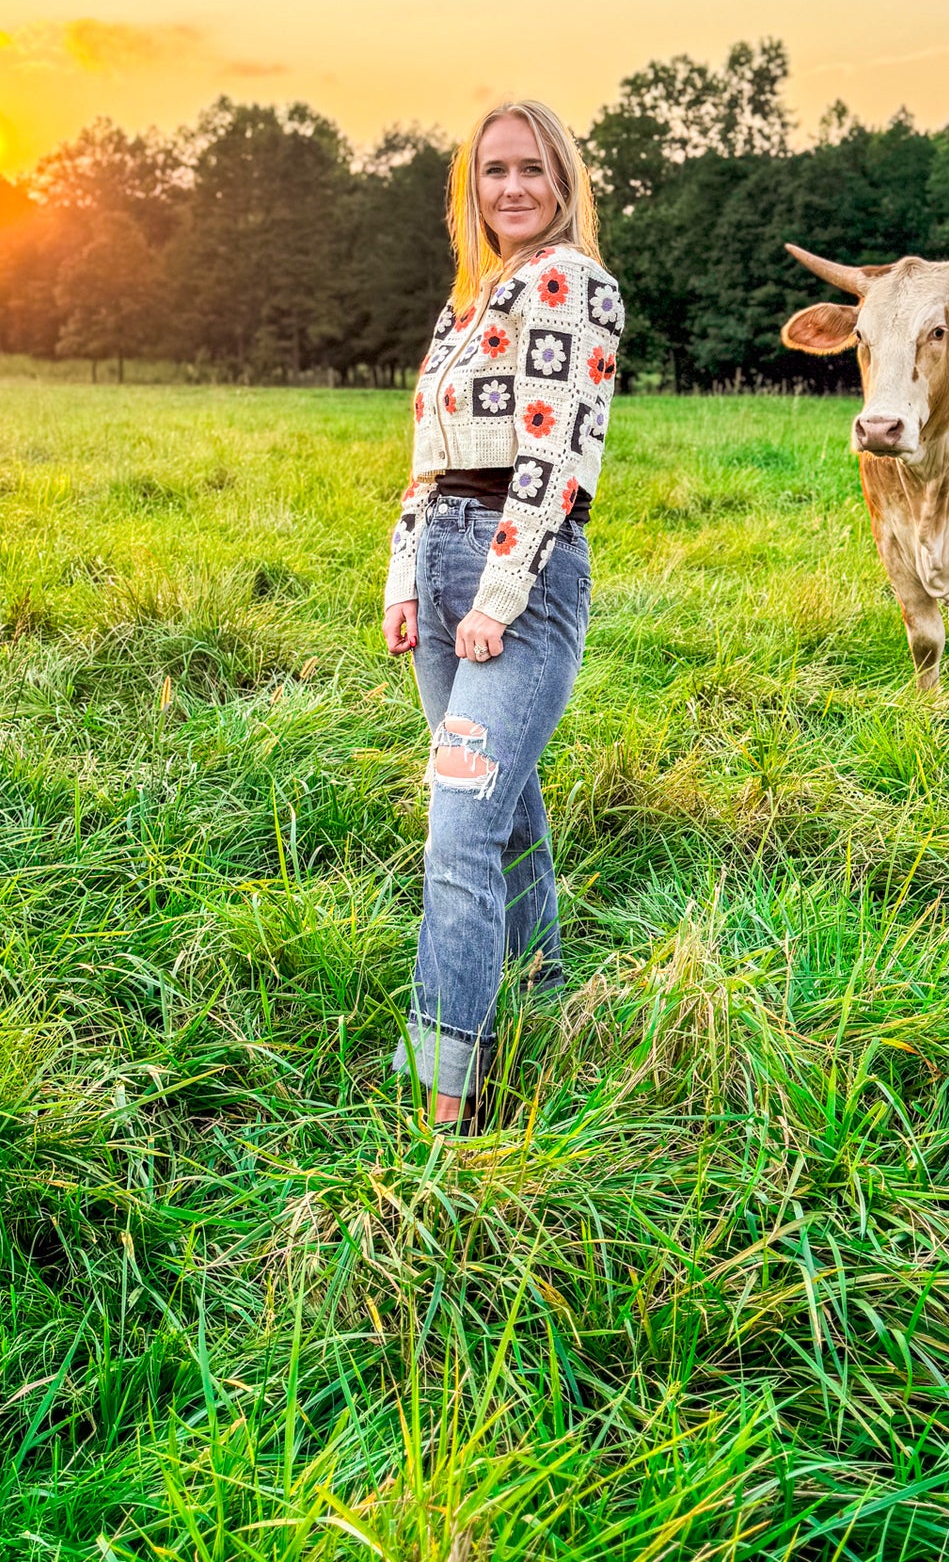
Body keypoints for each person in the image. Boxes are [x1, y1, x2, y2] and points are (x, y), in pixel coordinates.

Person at [382, 99, 624, 1127]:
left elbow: (555, 453)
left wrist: (496, 594)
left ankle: (450, 1101)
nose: (512, 187)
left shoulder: (569, 283)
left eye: (532, 168)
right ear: (469, 190)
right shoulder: (468, 303)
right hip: (440, 554)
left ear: (563, 181)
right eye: (493, 172)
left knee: (456, 837)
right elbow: (424, 460)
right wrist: (404, 580)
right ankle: (537, 997)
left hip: (509, 568)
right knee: (502, 806)